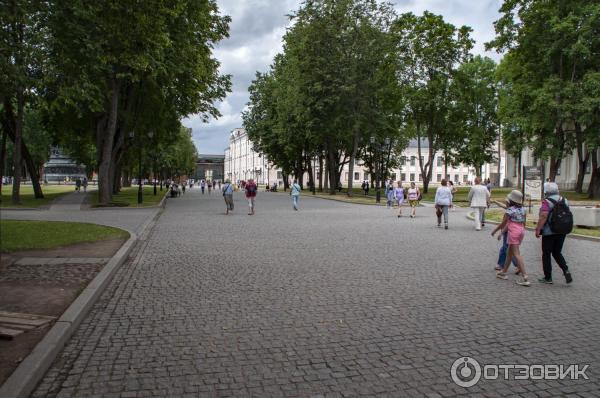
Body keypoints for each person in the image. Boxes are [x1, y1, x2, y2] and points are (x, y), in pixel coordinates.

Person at [535, 182, 573, 284]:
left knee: (546, 254)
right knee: (557, 252)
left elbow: (543, 216)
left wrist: (538, 229)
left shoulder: (547, 201)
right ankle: (566, 270)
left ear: (546, 191)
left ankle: (548, 277)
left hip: (549, 231)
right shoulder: (565, 200)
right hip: (562, 230)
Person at [492, 190, 530, 286]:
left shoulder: (509, 211)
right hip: (520, 231)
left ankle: (525, 277)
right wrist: (503, 233)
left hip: (513, 233)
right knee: (509, 252)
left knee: (517, 254)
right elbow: (523, 223)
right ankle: (503, 272)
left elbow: (504, 223)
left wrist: (495, 231)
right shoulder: (523, 210)